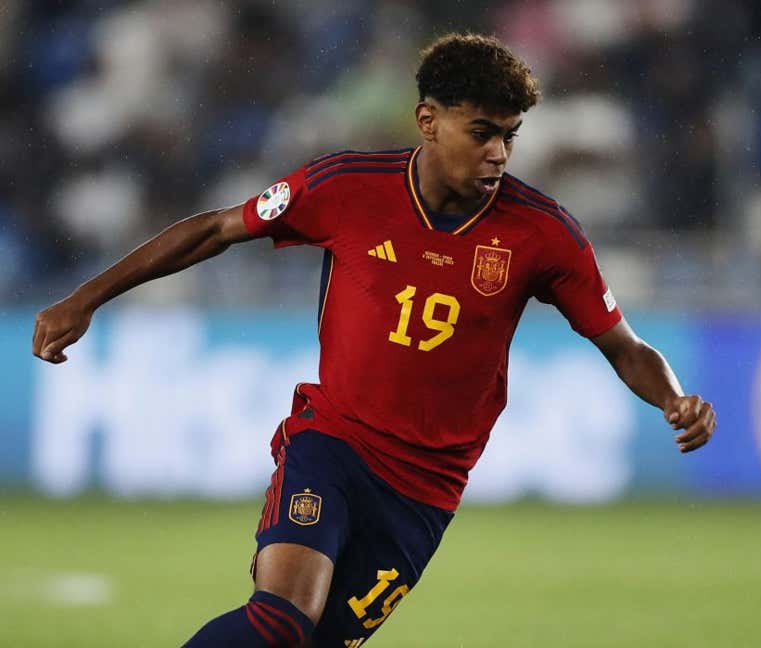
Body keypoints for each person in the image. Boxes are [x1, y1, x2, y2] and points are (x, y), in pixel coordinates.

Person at [32, 33, 716, 648]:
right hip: (333, 444)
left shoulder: (543, 233)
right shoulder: (345, 187)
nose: (499, 153)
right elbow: (216, 229)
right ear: (428, 121)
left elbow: (623, 344)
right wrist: (85, 298)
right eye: (481, 132)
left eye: (510, 134)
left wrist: (673, 399)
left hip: (425, 491)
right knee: (279, 621)